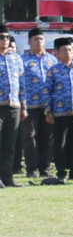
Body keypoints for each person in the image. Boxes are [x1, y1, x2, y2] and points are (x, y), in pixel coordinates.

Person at [43, 37, 73, 182]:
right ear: (57, 52)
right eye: (64, 50)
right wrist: (48, 111)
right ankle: (61, 172)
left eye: (70, 49)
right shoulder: (53, 70)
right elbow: (47, 92)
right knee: (60, 144)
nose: (68, 52)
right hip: (60, 112)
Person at [20, 27, 57, 178]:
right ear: (29, 42)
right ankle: (32, 168)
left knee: (46, 137)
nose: (39, 42)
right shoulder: (22, 60)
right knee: (29, 136)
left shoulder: (52, 60)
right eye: (36, 39)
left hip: (48, 106)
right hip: (29, 105)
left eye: (41, 39)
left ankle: (45, 167)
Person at [0, 25, 25, 188]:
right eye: (1, 37)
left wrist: (23, 106)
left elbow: (22, 84)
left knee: (10, 144)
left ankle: (7, 177)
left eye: (7, 37)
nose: (5, 40)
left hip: (14, 105)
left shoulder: (16, 58)